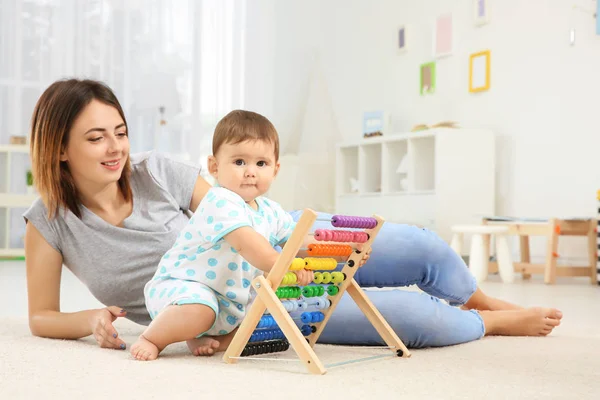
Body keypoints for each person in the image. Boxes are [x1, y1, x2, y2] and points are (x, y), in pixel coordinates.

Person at [23, 79, 562, 356]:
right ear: (60, 149)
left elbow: (237, 208)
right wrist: (92, 321)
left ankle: (480, 298)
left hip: (276, 241)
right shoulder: (48, 221)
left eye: (119, 131)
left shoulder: (157, 171)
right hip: (245, 308)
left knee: (417, 247)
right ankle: (486, 323)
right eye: (96, 138)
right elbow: (42, 317)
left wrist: (296, 249)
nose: (116, 148)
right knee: (412, 320)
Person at [131, 110, 366, 360]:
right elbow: (249, 245)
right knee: (200, 311)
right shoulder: (219, 201)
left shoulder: (271, 211)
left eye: (261, 164)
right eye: (239, 162)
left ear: (275, 170)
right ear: (214, 167)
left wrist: (346, 250)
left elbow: (300, 243)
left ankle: (204, 336)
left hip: (227, 301)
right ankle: (152, 338)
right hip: (181, 289)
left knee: (257, 320)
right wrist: (287, 266)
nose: (250, 171)